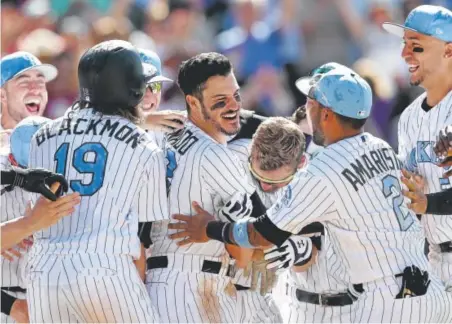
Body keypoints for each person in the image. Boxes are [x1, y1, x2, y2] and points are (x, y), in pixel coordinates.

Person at [169, 67, 452, 323]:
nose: (306, 108)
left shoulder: (323, 169)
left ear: (326, 113)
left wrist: (210, 228)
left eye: (311, 103)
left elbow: (262, 233)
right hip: (430, 289)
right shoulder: (380, 147)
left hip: (386, 301)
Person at [25, 40, 167, 323]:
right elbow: (144, 238)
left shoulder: (40, 135)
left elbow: (37, 212)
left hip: (43, 270)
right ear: (133, 88)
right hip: (105, 265)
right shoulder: (142, 143)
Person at [145, 52, 277, 323]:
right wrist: (215, 231)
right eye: (220, 101)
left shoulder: (159, 133)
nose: (233, 107)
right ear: (193, 102)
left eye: (236, 96)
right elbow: (248, 249)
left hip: (159, 284)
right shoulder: (213, 155)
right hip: (194, 288)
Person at [382, 4, 452, 288]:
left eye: (417, 46)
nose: (404, 54)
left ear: (449, 51)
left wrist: (428, 202)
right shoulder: (409, 118)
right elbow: (411, 199)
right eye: (404, 45)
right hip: (433, 259)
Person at [228, 117, 309, 323]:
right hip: (217, 288)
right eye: (259, 176)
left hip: (267, 295)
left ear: (301, 163)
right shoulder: (231, 157)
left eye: (275, 181)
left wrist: (297, 246)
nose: (265, 186)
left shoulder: (312, 178)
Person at [138, 48, 186, 147]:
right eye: (139, 85)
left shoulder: (173, 126)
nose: (148, 94)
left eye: (155, 85)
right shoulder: (100, 120)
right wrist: (142, 120)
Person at [0, 51, 57, 131]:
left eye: (40, 82)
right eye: (24, 82)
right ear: (2, 95)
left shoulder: (56, 137)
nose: (36, 90)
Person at [402, 125, 452, 215]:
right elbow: (404, 168)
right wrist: (411, 183)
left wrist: (430, 203)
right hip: (424, 225)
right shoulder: (406, 118)